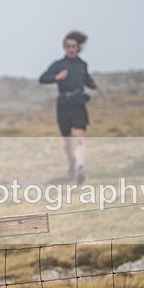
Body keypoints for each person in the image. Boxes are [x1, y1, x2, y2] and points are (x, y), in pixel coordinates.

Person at [39, 30, 99, 184]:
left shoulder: (82, 64)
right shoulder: (59, 65)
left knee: (80, 137)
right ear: (64, 47)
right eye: (68, 46)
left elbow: (86, 79)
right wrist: (57, 77)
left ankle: (80, 167)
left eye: (73, 46)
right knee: (67, 142)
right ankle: (72, 161)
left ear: (78, 47)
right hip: (64, 104)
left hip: (79, 103)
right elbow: (43, 78)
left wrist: (92, 84)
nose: (71, 49)